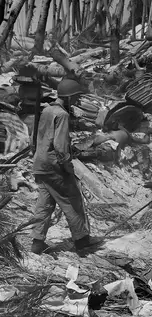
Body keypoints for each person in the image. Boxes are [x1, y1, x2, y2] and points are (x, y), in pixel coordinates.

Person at [29, 78, 101, 255]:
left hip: (40, 164)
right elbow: (60, 146)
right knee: (72, 200)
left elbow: (35, 136)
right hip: (54, 166)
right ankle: (82, 242)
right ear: (68, 97)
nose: (77, 100)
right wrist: (67, 165)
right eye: (75, 97)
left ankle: (37, 242)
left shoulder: (47, 110)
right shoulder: (62, 115)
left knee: (45, 203)